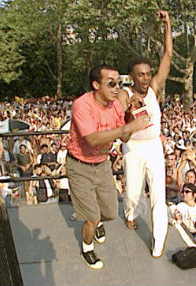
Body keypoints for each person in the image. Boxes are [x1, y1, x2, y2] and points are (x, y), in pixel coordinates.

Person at [66, 64, 149, 270]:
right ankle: (87, 247)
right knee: (91, 217)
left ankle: (98, 223)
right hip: (80, 165)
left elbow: (125, 136)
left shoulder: (116, 107)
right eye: (111, 83)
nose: (116, 88)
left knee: (111, 213)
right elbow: (93, 139)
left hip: (102, 163)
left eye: (118, 84)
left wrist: (130, 115)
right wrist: (128, 126)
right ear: (96, 85)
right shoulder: (82, 105)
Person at [118, 10, 172, 258]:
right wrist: (130, 115)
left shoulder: (154, 89)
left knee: (159, 197)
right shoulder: (124, 95)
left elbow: (168, 56)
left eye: (149, 73)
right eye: (141, 74)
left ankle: (158, 241)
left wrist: (168, 25)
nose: (146, 77)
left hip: (153, 147)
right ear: (132, 77)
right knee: (132, 194)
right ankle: (130, 213)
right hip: (133, 149)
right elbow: (123, 136)